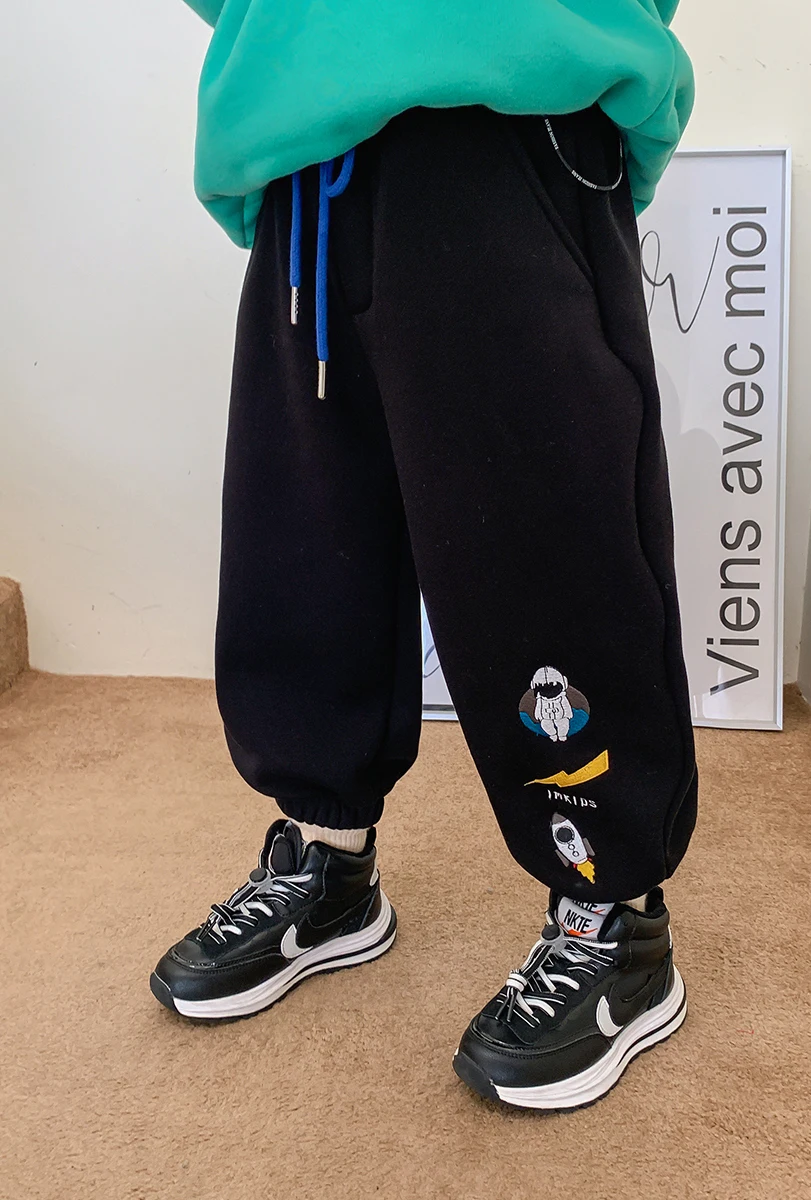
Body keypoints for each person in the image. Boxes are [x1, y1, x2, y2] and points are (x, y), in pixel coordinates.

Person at [150, 0, 699, 1112]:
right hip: (303, 141)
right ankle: (329, 858)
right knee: (304, 539)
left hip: (509, 101)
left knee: (546, 543)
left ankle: (615, 916)